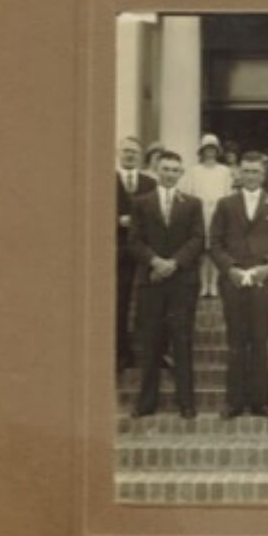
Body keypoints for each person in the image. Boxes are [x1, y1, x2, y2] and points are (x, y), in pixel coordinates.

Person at [210, 151, 268, 418]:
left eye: (255, 171)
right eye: (246, 171)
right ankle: (234, 402)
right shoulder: (226, 204)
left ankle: (261, 401)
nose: (250, 176)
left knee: (260, 339)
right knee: (235, 340)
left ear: (264, 174)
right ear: (238, 173)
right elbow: (215, 243)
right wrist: (230, 268)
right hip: (233, 280)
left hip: (263, 281)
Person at [129, 151, 205, 419]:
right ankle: (146, 403)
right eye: (166, 169)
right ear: (156, 170)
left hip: (182, 282)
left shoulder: (193, 204)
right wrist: (155, 262)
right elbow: (134, 240)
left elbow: (198, 239)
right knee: (151, 343)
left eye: (175, 170)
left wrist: (173, 263)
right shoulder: (141, 203)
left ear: (181, 173)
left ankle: (186, 402)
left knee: (182, 341)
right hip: (151, 281)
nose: (170, 174)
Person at [115, 136, 157, 372]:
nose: (130, 155)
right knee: (120, 303)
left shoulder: (149, 183)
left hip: (144, 253)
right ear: (118, 154)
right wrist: (116, 220)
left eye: (134, 152)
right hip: (118, 252)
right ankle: (122, 352)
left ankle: (152, 353)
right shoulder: (106, 179)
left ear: (140, 157)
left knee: (149, 304)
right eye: (126, 151)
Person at [180, 133, 232, 298]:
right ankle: (204, 284)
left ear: (217, 151)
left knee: (215, 247)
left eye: (213, 149)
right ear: (202, 151)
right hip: (199, 214)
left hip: (218, 213)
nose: (210, 152)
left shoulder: (224, 171)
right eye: (207, 149)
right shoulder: (194, 171)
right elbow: (188, 193)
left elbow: (228, 193)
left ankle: (214, 284)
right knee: (202, 250)